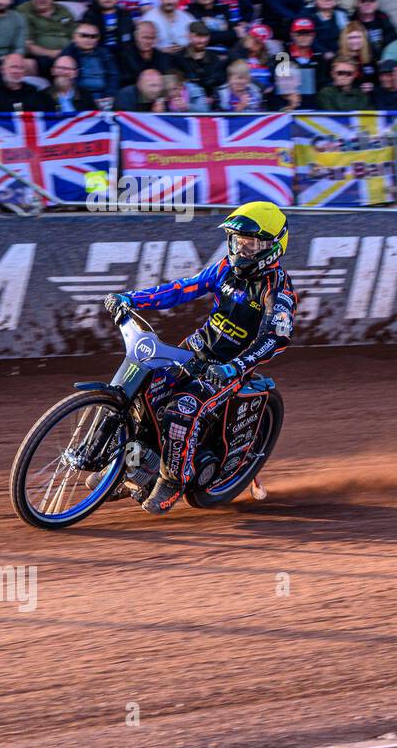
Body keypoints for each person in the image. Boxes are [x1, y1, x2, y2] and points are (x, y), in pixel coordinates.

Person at [102, 203, 298, 516]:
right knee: (145, 393)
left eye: (249, 243)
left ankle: (171, 481)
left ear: (273, 247)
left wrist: (234, 367)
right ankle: (133, 467)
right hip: (193, 350)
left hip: (230, 368)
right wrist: (131, 299)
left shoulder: (277, 290)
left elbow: (277, 337)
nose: (240, 249)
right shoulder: (224, 268)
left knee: (182, 410)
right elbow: (181, 289)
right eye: (236, 241)